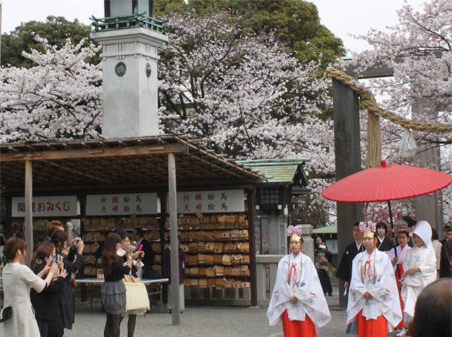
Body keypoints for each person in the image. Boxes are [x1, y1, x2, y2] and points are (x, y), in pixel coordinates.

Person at [267, 228, 331, 336]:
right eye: (292, 242)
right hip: (288, 301)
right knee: (290, 331)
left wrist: (298, 295)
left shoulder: (307, 261)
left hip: (304, 302)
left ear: (301, 244)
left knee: (305, 331)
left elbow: (310, 281)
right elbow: (280, 281)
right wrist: (289, 295)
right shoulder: (284, 262)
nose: (293, 245)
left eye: (296, 243)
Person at [346, 223, 402, 337]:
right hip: (363, 299)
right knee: (364, 330)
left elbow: (387, 279)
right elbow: (355, 279)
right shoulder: (358, 258)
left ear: (375, 241)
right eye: (365, 239)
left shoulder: (383, 257)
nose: (367, 242)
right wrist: (363, 292)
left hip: (379, 299)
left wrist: (373, 292)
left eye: (369, 239)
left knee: (378, 330)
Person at [2, 237, 59, 337]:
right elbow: (41, 286)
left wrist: (44, 271)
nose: (25, 252)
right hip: (23, 314)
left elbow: (29, 282)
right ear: (18, 252)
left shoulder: (6, 269)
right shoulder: (21, 269)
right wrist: (51, 273)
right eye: (24, 250)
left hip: (9, 313)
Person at [401, 220, 437, 331]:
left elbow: (431, 267)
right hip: (411, 284)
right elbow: (405, 265)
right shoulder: (410, 252)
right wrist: (408, 271)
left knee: (423, 309)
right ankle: (412, 329)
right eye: (415, 237)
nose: (416, 240)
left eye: (419, 237)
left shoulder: (429, 252)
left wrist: (418, 269)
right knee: (411, 310)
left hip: (422, 284)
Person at [30, 240, 68, 337]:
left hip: (44, 314)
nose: (55, 256)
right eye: (54, 254)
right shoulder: (42, 271)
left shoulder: (36, 269)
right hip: (48, 316)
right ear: (47, 257)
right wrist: (58, 278)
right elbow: (50, 288)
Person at [50, 230, 85, 336]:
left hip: (60, 291)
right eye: (65, 241)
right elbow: (73, 267)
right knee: (58, 327)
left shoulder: (56, 253)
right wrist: (79, 253)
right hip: (61, 292)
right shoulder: (56, 256)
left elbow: (67, 263)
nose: (66, 243)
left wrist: (73, 250)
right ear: (60, 242)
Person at [101, 232, 132, 337]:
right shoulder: (114, 258)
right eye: (118, 242)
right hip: (116, 289)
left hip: (107, 288)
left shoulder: (106, 256)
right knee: (115, 321)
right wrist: (129, 257)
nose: (120, 244)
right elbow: (126, 270)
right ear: (114, 243)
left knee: (109, 321)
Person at [118, 231, 144, 337]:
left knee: (133, 312)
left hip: (132, 280)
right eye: (125, 241)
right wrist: (130, 258)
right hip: (122, 281)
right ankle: (115, 333)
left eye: (128, 240)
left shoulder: (130, 251)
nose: (128, 243)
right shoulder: (118, 253)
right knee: (121, 313)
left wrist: (138, 259)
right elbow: (121, 268)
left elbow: (136, 267)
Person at [387, 231, 411, 337]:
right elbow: (387, 265)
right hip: (395, 274)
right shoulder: (393, 250)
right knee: (395, 299)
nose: (401, 240)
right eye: (399, 238)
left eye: (403, 238)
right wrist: (393, 261)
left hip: (405, 275)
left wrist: (405, 278)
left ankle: (405, 325)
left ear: (408, 239)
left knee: (405, 299)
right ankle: (397, 324)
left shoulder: (410, 251)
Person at [337, 222, 363, 292]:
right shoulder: (349, 248)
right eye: (354, 230)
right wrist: (347, 280)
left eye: (359, 230)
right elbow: (345, 265)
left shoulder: (366, 248)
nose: (356, 233)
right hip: (352, 279)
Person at [162, 243, 186, 313]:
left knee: (175, 290)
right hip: (172, 273)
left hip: (176, 273)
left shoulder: (179, 251)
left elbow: (182, 263)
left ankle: (177, 307)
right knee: (172, 290)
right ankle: (174, 307)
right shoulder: (167, 252)